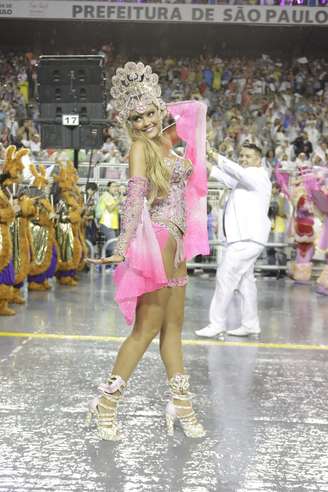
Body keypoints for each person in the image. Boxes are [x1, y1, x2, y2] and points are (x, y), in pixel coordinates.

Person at [86, 61, 208, 441]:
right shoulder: (140, 148)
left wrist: (163, 110)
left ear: (160, 110)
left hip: (177, 248)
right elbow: (135, 196)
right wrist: (122, 245)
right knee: (146, 329)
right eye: (135, 117)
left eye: (150, 113)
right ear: (129, 123)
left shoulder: (165, 141)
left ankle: (181, 403)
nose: (144, 122)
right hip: (155, 244)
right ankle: (106, 403)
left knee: (173, 330)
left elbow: (196, 110)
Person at [196, 142, 272, 338]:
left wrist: (212, 152)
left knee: (225, 277)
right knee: (246, 282)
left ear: (258, 160)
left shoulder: (258, 176)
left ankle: (217, 323)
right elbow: (220, 174)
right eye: (242, 156)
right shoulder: (243, 181)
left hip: (247, 239)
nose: (244, 159)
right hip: (245, 239)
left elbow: (235, 171)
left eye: (248, 156)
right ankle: (251, 324)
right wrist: (199, 155)